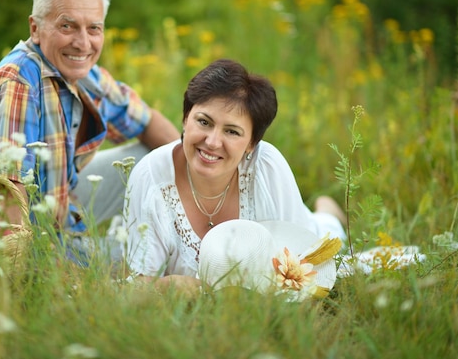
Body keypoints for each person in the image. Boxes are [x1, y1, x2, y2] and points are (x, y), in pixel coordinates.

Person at [0, 0, 180, 237]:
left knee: (158, 159)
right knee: (135, 262)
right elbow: (5, 193)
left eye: (94, 28)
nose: (83, 43)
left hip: (56, 204)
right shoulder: (18, 84)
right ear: (35, 28)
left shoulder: (84, 74)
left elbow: (146, 120)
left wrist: (199, 179)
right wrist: (46, 267)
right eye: (67, 26)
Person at [124, 58, 346, 292]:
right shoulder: (150, 177)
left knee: (324, 235)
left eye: (231, 131)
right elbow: (139, 283)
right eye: (204, 122)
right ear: (185, 119)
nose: (212, 142)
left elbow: (302, 262)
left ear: (251, 143)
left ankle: (328, 213)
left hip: (302, 225)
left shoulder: (267, 167)